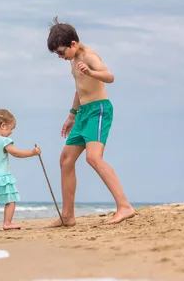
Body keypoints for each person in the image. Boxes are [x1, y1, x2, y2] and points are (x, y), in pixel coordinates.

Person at [46, 16, 135, 227]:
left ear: (73, 44)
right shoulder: (73, 60)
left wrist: (91, 71)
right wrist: (71, 116)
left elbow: (109, 76)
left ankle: (125, 206)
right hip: (83, 113)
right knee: (66, 160)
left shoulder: (89, 56)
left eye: (61, 52)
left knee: (93, 158)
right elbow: (80, 88)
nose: (60, 56)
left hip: (99, 110)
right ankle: (67, 216)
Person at [0, 109, 41, 231]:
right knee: (11, 199)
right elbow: (15, 153)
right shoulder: (4, 141)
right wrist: (32, 153)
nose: (11, 132)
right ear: (3, 126)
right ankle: (7, 223)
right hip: (3, 176)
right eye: (11, 129)